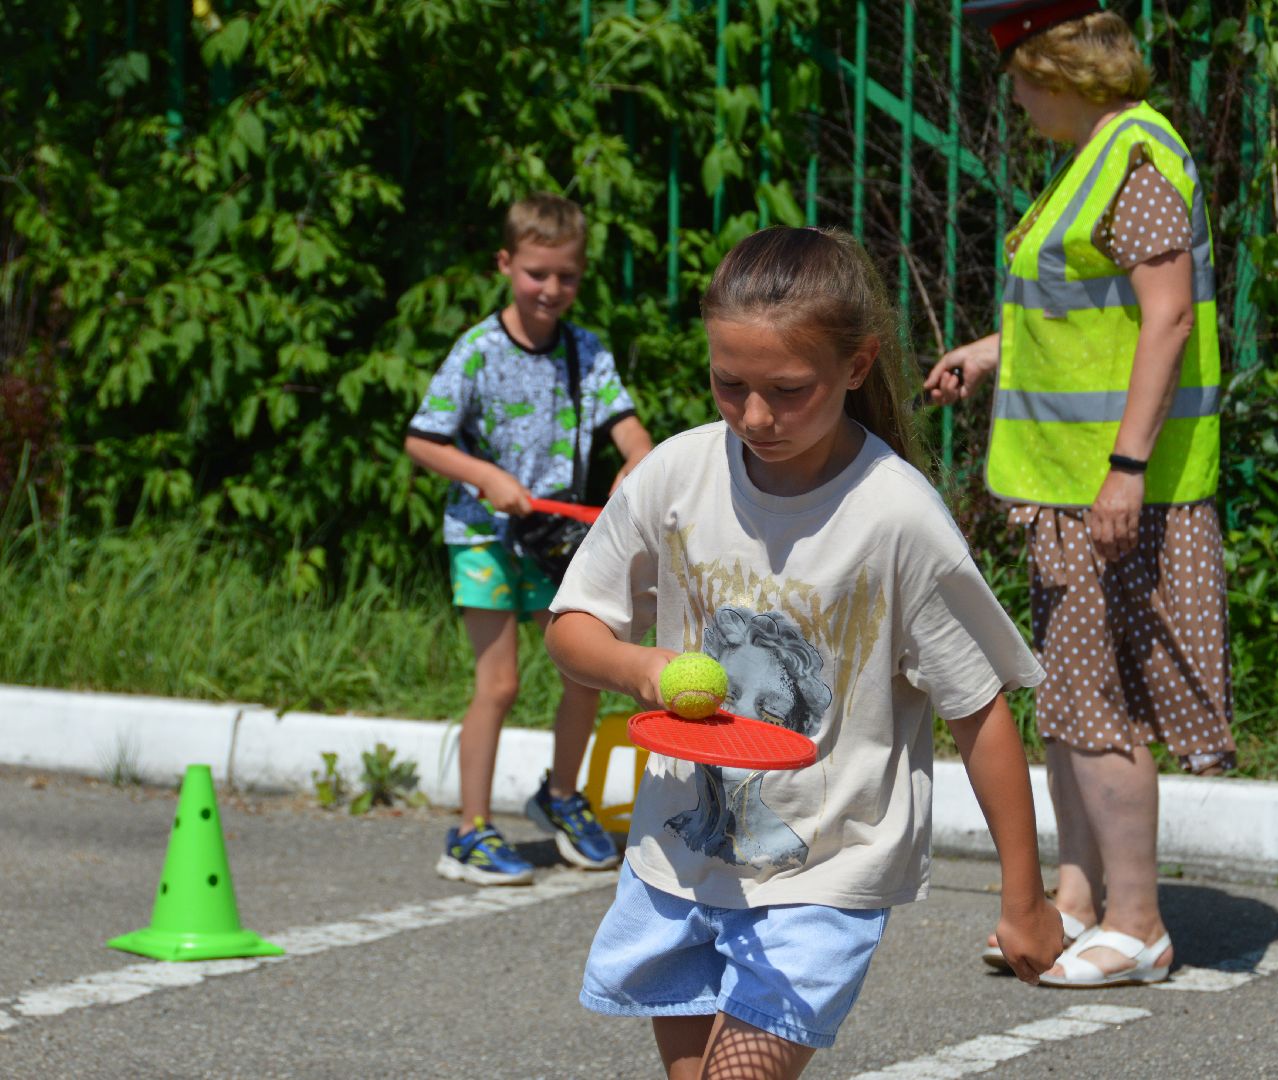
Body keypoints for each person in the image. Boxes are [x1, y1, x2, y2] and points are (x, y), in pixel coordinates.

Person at [545, 226, 1063, 1079]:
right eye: (729, 384)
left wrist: (1026, 895)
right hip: (680, 858)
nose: (755, 416)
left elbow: (978, 708)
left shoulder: (895, 515)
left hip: (822, 877)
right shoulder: (676, 475)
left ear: (857, 366)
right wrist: (643, 671)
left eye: (788, 391)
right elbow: (573, 627)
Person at [927, 1, 1236, 988]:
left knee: (1100, 706)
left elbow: (1168, 316)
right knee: (1068, 701)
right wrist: (985, 353)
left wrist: (1127, 467)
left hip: (1112, 489)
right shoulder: (1095, 161)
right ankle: (1074, 896)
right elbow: (1076, 311)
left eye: (1018, 76)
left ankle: (1137, 922)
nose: (1013, 97)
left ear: (1059, 69)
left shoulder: (1134, 159)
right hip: (1062, 487)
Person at [405, 192, 654, 884]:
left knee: (586, 671)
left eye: (566, 276)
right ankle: (470, 832)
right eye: (537, 273)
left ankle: (562, 797)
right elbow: (422, 440)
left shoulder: (586, 350)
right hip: (484, 537)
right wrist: (485, 475)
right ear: (506, 264)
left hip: (557, 540)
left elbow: (630, 429)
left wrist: (635, 461)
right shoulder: (479, 351)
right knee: (500, 684)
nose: (551, 290)